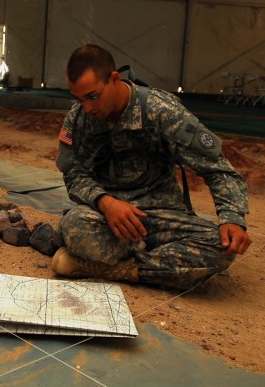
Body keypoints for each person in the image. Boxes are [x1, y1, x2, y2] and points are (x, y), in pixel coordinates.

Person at [51, 44, 251, 290]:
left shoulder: (160, 111)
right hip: (108, 220)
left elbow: (216, 167)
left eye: (93, 96)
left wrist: (232, 218)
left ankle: (114, 268)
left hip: (161, 217)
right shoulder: (78, 119)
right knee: (75, 225)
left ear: (114, 78)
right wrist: (106, 203)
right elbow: (74, 174)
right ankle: (161, 263)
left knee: (221, 249)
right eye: (79, 99)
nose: (88, 107)